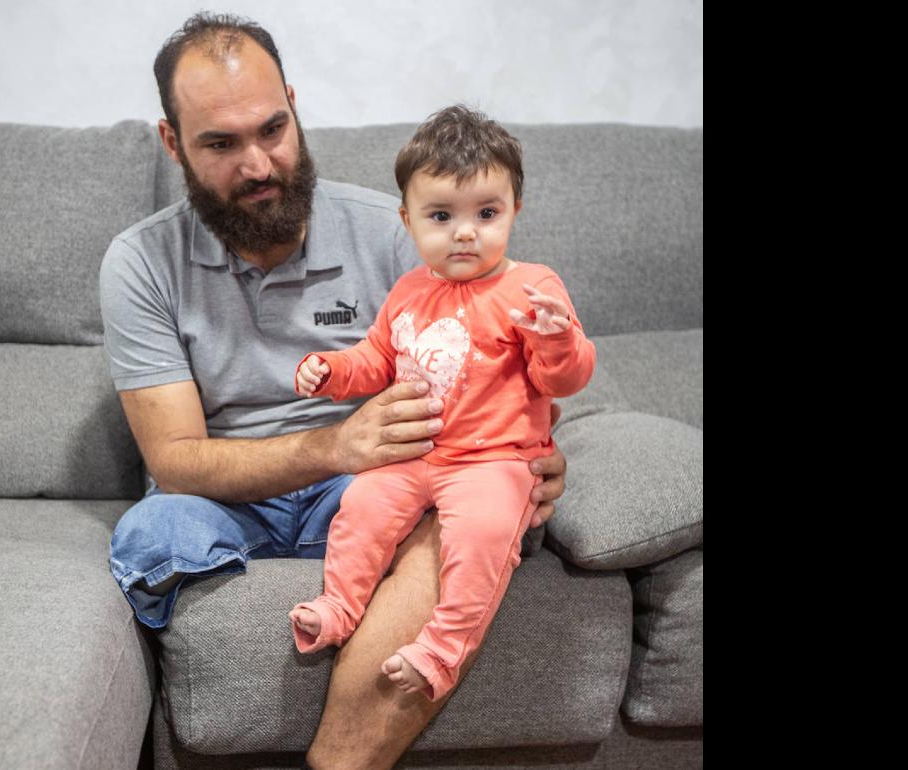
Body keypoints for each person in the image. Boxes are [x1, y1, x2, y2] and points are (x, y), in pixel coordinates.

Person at [100, 12, 567, 768]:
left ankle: (339, 760)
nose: (259, 164)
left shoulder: (395, 231)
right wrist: (334, 444)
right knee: (150, 535)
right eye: (221, 144)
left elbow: (503, 361)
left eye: (272, 129)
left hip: (370, 485)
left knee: (459, 516)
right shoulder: (140, 262)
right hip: (228, 497)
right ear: (172, 143)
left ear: (293, 104)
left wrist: (530, 456)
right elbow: (177, 459)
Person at [288, 105, 595, 701]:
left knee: (482, 534)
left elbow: (564, 379)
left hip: (493, 461)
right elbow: (376, 359)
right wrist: (330, 371)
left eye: (487, 213)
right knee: (360, 506)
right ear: (408, 221)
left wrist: (558, 338)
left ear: (515, 210)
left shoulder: (532, 288)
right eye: (441, 216)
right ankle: (338, 607)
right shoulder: (408, 290)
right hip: (414, 455)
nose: (465, 232)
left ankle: (442, 650)